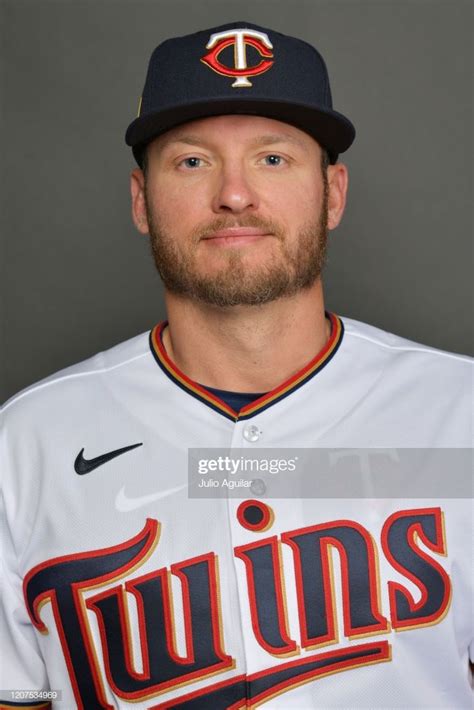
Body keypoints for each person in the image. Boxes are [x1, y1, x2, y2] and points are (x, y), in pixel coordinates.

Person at [0, 21, 472, 710]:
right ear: (141, 201)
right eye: (192, 161)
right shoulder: (26, 448)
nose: (235, 195)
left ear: (333, 194)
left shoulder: (458, 414)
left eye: (273, 159)